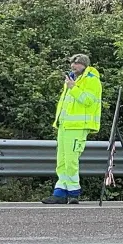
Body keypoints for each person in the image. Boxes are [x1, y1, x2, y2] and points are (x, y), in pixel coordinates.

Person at [42, 54, 102, 204]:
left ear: (85, 65)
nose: (73, 66)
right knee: (61, 161)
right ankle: (60, 192)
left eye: (77, 64)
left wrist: (73, 88)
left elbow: (88, 101)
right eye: (72, 63)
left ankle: (74, 192)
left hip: (78, 126)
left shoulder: (91, 80)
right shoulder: (72, 79)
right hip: (65, 125)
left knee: (71, 160)